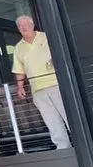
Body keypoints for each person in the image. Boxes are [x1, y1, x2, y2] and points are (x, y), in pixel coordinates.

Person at [13, 15, 70, 149]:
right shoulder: (18, 48)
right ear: (18, 29)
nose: (24, 27)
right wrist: (20, 87)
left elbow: (61, 53)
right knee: (51, 121)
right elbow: (19, 69)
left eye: (26, 24)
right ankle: (62, 148)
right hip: (37, 90)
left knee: (69, 115)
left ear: (32, 25)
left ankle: (83, 142)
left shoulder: (47, 37)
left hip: (56, 84)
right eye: (20, 26)